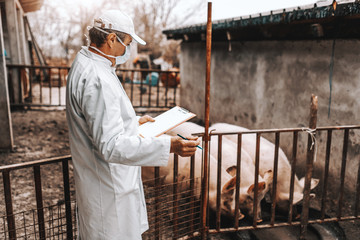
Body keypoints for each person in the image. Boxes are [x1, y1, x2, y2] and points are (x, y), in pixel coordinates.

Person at [65, 9, 200, 239]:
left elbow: (98, 120)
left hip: (101, 184)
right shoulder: (98, 79)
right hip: (109, 192)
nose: (127, 49)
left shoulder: (87, 63)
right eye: (126, 42)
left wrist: (134, 122)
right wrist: (170, 146)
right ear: (110, 40)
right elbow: (111, 146)